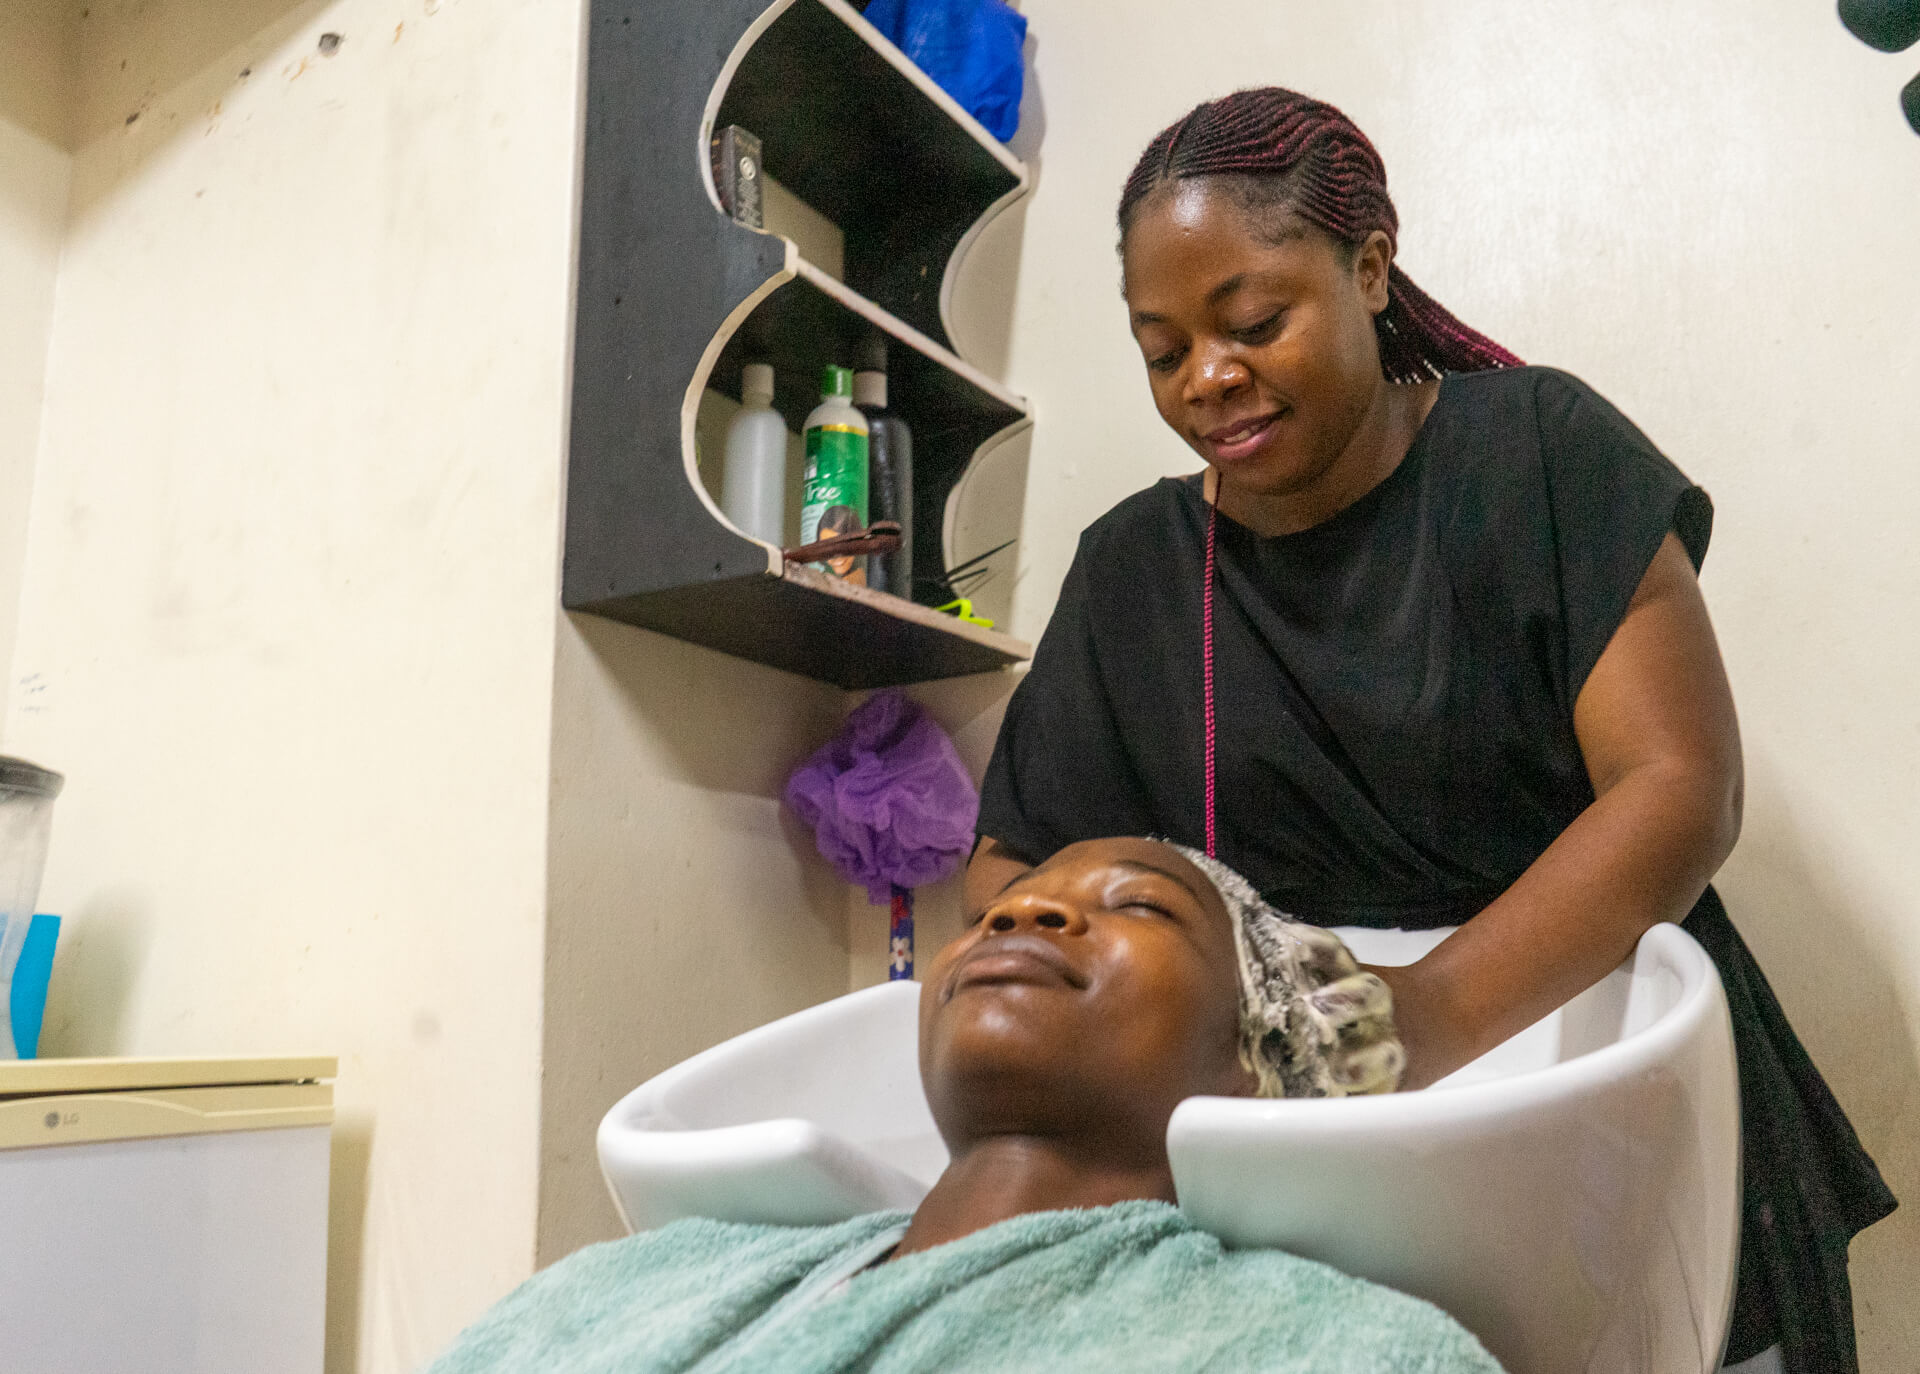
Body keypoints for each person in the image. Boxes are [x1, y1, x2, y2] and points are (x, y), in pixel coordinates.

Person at [968, 88, 1895, 1374]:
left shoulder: (1539, 454)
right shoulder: (1134, 568)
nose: (1208, 378)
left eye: (1251, 322)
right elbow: (1016, 870)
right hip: (1310, 1185)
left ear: (1370, 264)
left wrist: (1409, 1023)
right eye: (1162, 350)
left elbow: (1678, 787)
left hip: (1616, 1117)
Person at [423, 838, 1496, 1374]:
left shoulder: (1330, 1351)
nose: (1022, 908)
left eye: (1137, 906)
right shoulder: (634, 1284)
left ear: (1257, 1057)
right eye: (1004, 912)